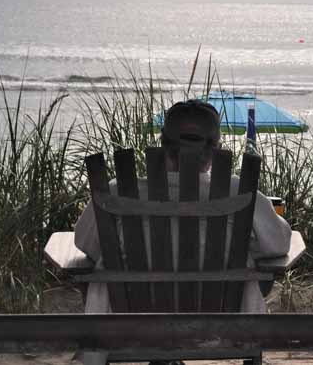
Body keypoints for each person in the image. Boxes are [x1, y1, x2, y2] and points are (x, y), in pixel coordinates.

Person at [75, 99, 292, 314]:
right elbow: (278, 244)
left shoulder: (117, 192)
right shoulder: (238, 192)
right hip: (223, 327)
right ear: (215, 148)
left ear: (163, 143)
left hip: (129, 329)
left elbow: (84, 243)